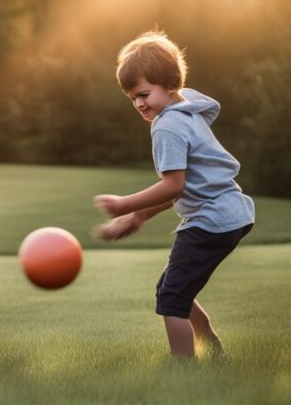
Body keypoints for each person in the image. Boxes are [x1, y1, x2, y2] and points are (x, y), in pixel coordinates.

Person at [93, 31, 255, 358]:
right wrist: (139, 216)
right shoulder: (186, 111)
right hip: (231, 214)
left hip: (211, 220)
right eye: (132, 97)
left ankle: (183, 369)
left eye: (143, 93)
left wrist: (125, 204)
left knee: (172, 299)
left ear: (169, 84)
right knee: (171, 289)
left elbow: (174, 186)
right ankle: (213, 349)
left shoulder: (167, 125)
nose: (139, 103)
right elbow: (187, 184)